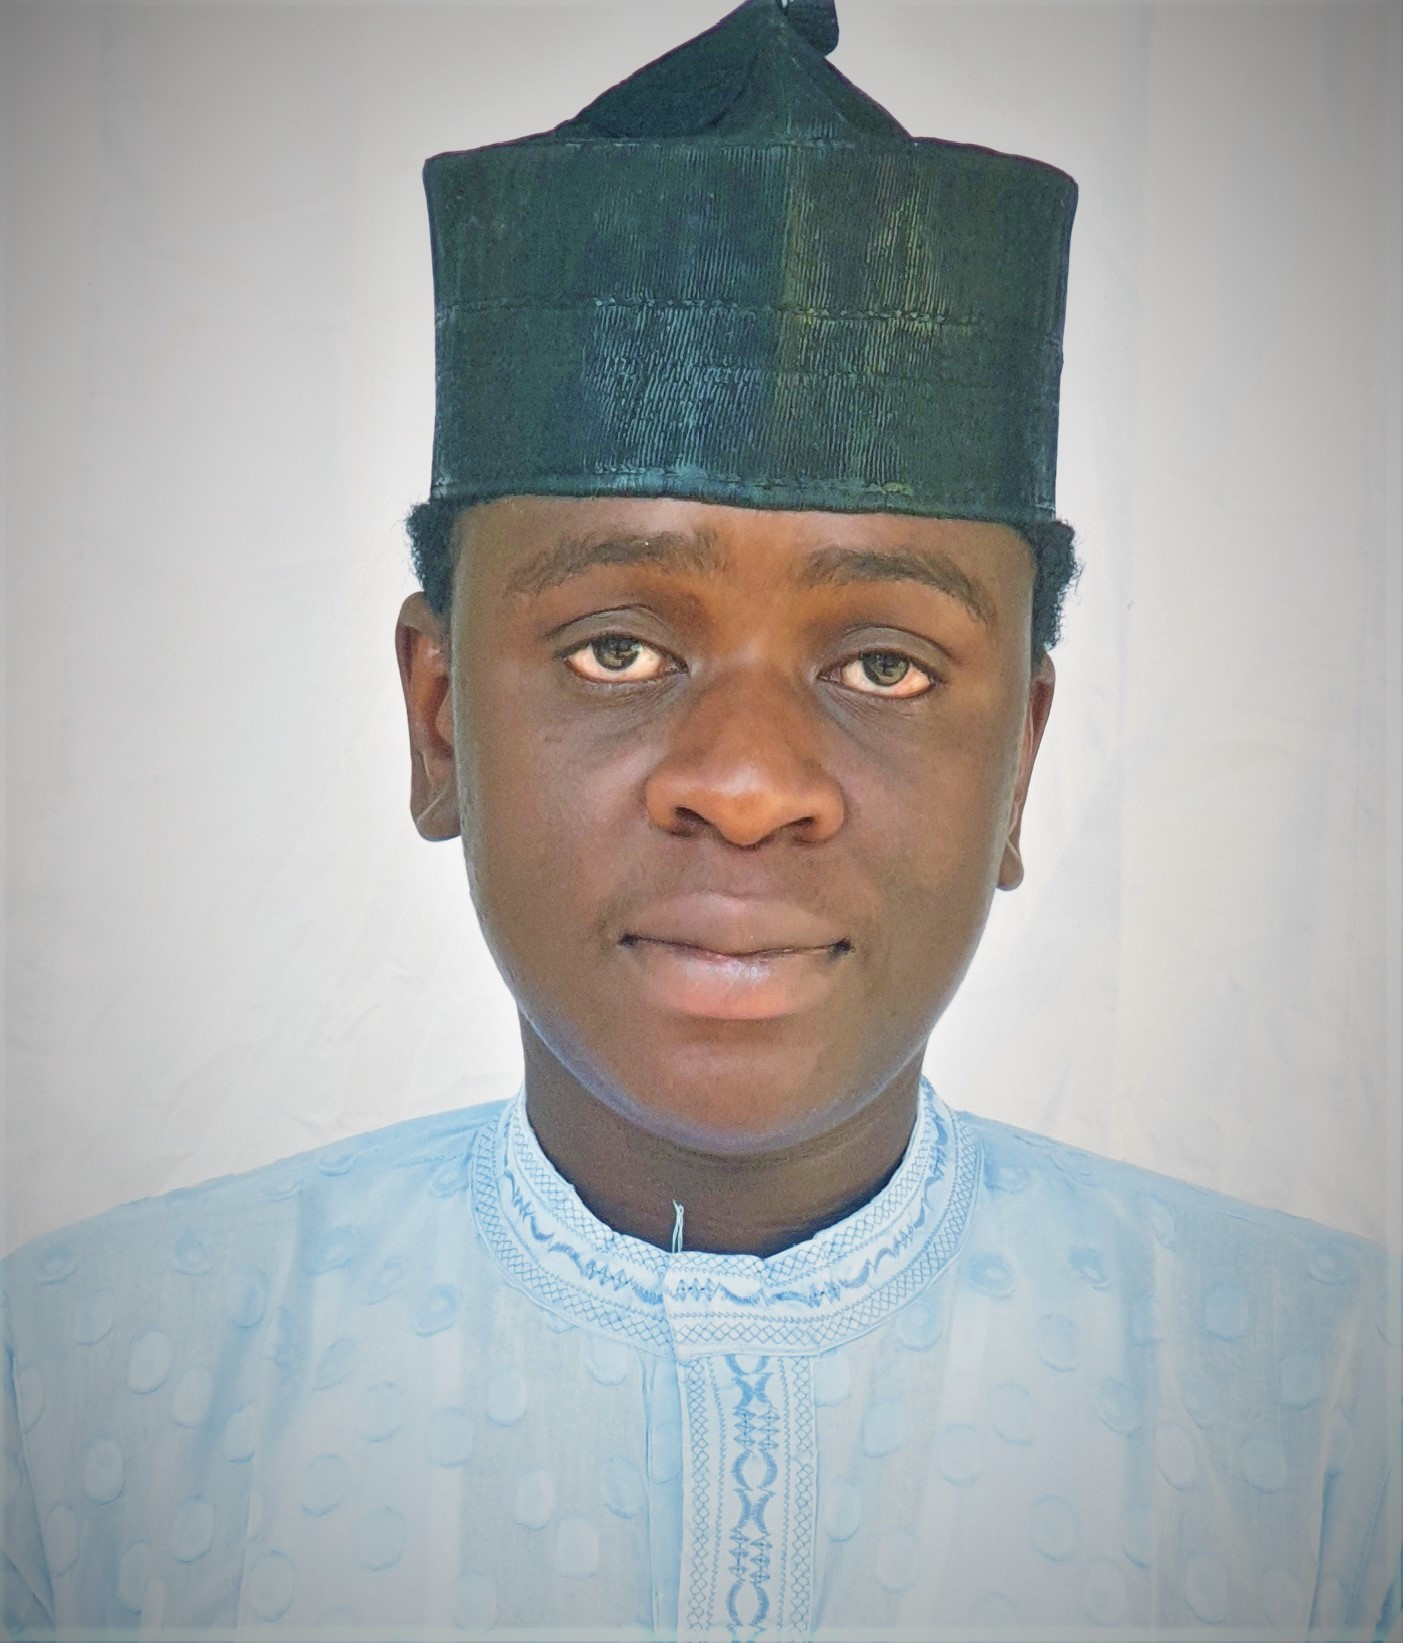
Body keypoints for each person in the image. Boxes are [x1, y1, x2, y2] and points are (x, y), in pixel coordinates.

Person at [2, 1, 1398, 1638]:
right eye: (618, 649)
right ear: (441, 718)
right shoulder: (78, 1402)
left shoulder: (1333, 1425)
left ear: (1018, 764)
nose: (744, 783)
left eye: (883, 664)